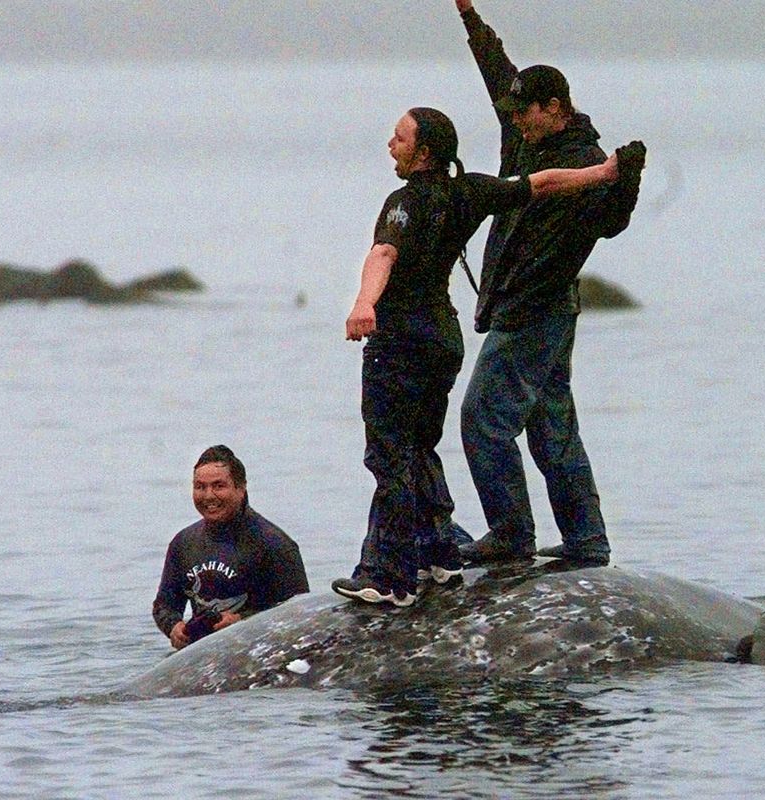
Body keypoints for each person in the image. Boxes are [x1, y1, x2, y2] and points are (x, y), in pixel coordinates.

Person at [332, 106, 644, 608]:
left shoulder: (403, 203)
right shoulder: (469, 191)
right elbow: (540, 184)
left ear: (424, 152)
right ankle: (440, 558)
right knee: (421, 448)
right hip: (442, 339)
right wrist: (603, 173)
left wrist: (365, 302)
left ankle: (388, 575)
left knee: (389, 456)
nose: (390, 145)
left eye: (399, 138)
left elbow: (383, 254)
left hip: (401, 343)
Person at [451, 0, 646, 567]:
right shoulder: (524, 141)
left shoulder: (586, 161)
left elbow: (610, 223)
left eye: (524, 113)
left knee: (483, 421)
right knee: (551, 424)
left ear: (554, 108)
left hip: (536, 312)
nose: (513, 122)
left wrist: (625, 182)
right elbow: (497, 71)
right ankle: (587, 541)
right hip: (543, 311)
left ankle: (511, 534)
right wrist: (469, 16)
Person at [153, 445, 309, 649]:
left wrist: (243, 621)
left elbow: (299, 615)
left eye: (218, 486)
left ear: (241, 488)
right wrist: (174, 626)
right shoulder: (183, 543)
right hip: (203, 655)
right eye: (200, 487)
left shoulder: (274, 545)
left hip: (261, 653)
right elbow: (164, 605)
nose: (208, 496)